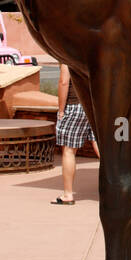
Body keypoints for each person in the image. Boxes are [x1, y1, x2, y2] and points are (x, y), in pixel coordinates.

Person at [52, 64, 99, 204]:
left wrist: (61, 110)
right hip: (95, 105)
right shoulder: (91, 50)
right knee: (99, 145)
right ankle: (119, 186)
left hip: (75, 105)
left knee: (68, 150)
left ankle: (67, 195)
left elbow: (64, 82)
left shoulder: (66, 53)